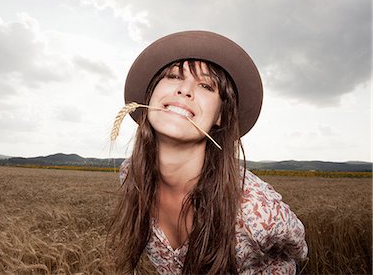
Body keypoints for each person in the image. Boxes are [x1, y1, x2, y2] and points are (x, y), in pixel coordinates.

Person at [108, 31, 308, 274]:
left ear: (220, 116)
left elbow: (297, 252)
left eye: (205, 85)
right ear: (150, 97)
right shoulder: (131, 175)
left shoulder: (252, 205)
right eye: (173, 76)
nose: (184, 89)